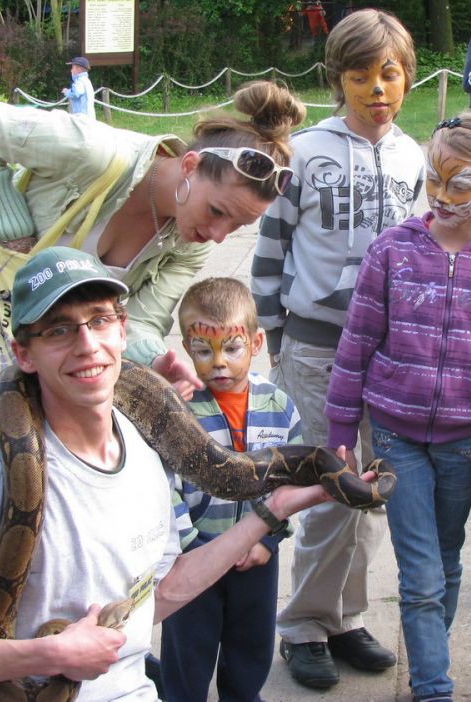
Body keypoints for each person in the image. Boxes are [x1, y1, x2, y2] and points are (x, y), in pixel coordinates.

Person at [0, 247, 345, 700]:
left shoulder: (144, 451)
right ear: (23, 354)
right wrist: (43, 654)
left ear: (123, 330)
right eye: (58, 330)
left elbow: (161, 594)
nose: (87, 345)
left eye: (99, 320)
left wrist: (269, 512)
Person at [0, 79, 305, 441]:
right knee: (0, 468)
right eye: (216, 211)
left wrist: (155, 360)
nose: (217, 234)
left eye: (238, 225)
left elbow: (142, 318)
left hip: (59, 362)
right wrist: (7, 213)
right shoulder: (92, 152)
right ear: (190, 165)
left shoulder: (191, 244)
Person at [326, 110, 471, 702]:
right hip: (393, 437)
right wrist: (342, 424)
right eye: (432, 179)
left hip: (465, 443)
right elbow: (357, 343)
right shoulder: (391, 252)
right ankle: (433, 689)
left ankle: (428, 656)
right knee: (421, 576)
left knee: (445, 565)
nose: (442, 197)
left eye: (461, 184)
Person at [250, 8, 425, 690]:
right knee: (326, 489)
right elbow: (271, 251)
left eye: (389, 74)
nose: (376, 89)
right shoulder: (306, 155)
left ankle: (344, 617)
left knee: (373, 490)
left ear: (407, 78)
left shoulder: (415, 159)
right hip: (319, 348)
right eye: (360, 76)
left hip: (392, 357)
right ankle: (301, 627)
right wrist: (275, 340)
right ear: (338, 81)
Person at [160, 277, 301, 702]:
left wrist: (270, 539)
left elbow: (291, 481)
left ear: (256, 343)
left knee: (250, 651)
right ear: (187, 348)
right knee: (187, 659)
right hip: (195, 559)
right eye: (203, 351)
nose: (218, 362)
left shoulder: (278, 405)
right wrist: (188, 547)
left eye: (232, 348)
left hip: (256, 559)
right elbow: (164, 485)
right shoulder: (178, 410)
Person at [63, 55, 96, 120]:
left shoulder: (80, 81)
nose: (71, 70)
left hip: (82, 118)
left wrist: (67, 92)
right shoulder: (86, 81)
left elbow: (75, 93)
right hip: (89, 116)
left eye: (72, 68)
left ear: (79, 69)